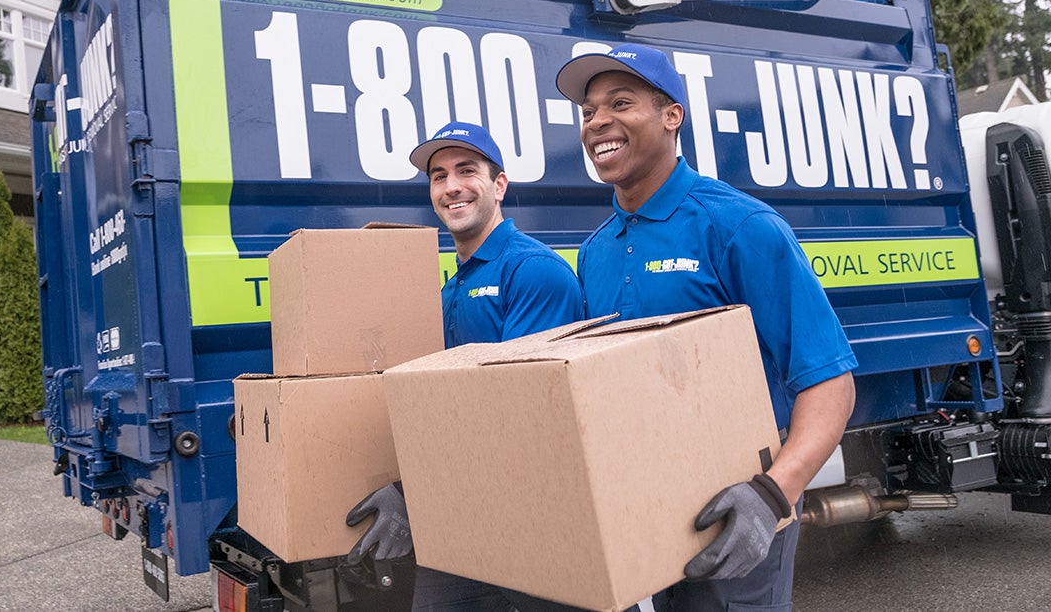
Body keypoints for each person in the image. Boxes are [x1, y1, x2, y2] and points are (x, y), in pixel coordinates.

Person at [555, 44, 858, 612]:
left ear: (672, 115)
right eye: (588, 111)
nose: (597, 122)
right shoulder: (595, 251)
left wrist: (772, 496)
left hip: (741, 505)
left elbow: (829, 383)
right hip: (649, 508)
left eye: (620, 103)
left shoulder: (739, 226)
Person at [341, 121, 586, 611]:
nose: (451, 186)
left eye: (467, 171)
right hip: (463, 519)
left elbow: (521, 410)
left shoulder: (533, 272)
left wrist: (410, 490)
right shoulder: (451, 288)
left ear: (499, 185)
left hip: (540, 519)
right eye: (439, 176)